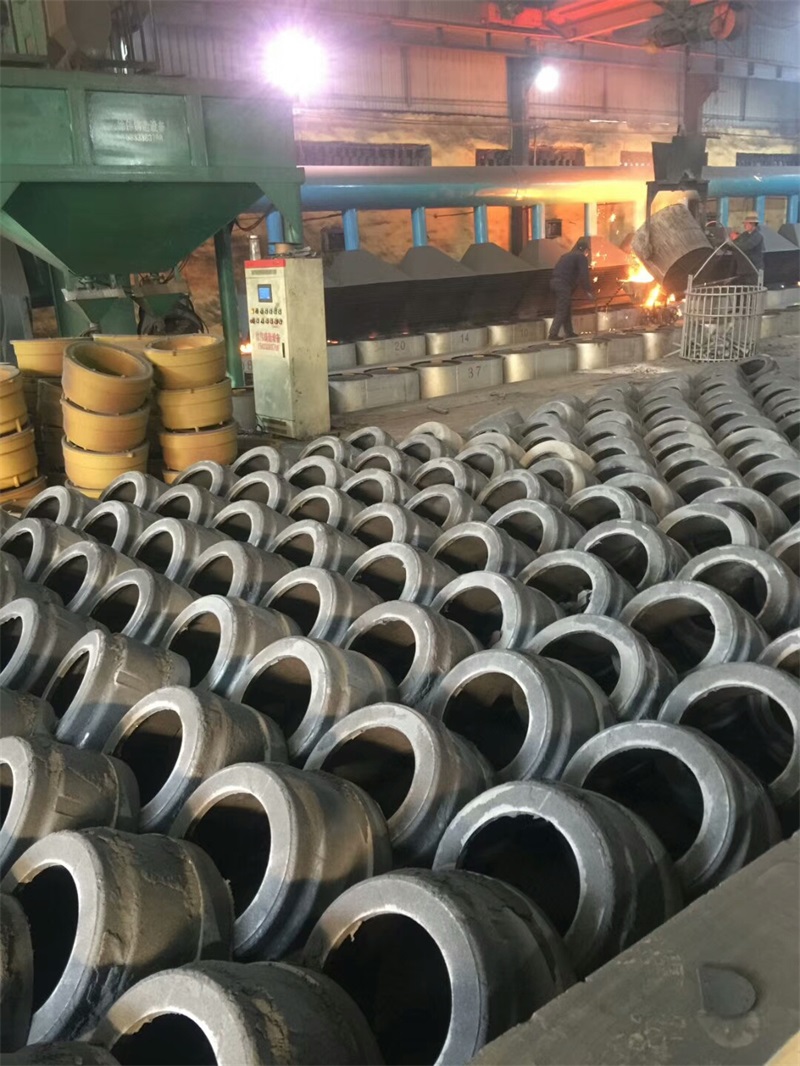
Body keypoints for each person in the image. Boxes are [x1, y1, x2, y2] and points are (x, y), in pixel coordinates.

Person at [548, 238, 594, 340]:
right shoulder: (581, 257)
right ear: (584, 250)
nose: (587, 253)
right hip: (562, 284)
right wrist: (589, 291)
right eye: (587, 251)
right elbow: (584, 275)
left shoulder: (566, 255)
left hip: (555, 283)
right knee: (562, 309)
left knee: (566, 307)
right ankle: (553, 334)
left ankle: (569, 332)